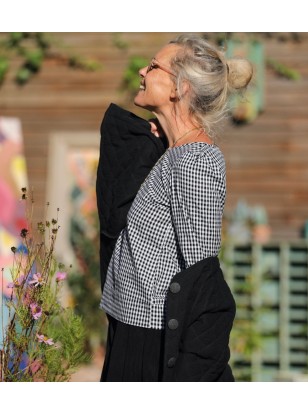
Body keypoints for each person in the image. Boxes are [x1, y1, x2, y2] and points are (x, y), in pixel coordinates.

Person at [97, 34, 253, 382]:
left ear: (179, 87)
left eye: (153, 66)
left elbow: (201, 277)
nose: (141, 70)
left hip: (154, 345)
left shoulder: (196, 159)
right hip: (132, 332)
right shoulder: (174, 153)